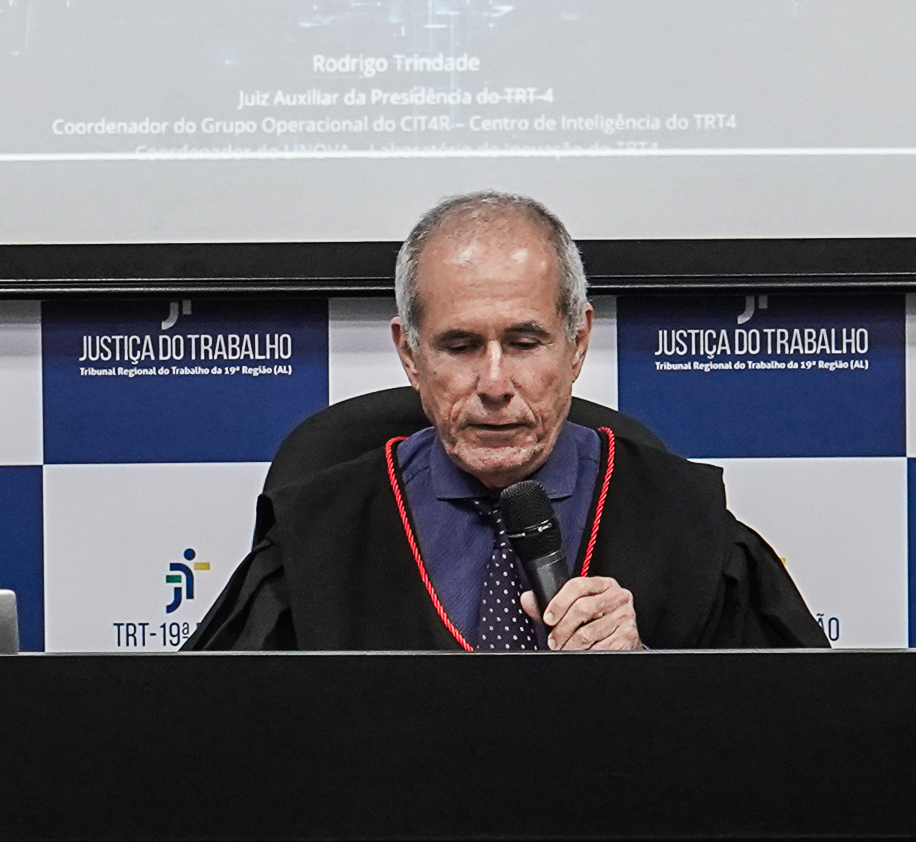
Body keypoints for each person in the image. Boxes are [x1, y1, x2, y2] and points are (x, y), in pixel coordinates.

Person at [187, 192, 826, 652]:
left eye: (525, 344)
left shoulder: (689, 525)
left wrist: (650, 684)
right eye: (460, 347)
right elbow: (216, 755)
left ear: (577, 344)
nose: (494, 385)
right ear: (409, 354)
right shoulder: (316, 538)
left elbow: (789, 753)